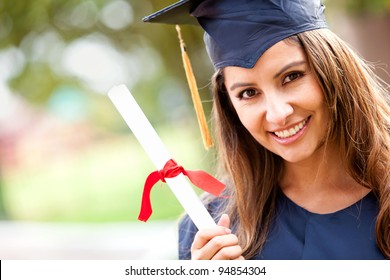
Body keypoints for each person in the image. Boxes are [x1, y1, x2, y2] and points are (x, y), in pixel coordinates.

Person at [144, 0, 390, 260]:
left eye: (292, 76)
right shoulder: (208, 229)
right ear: (230, 106)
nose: (278, 114)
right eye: (248, 93)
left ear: (333, 70)